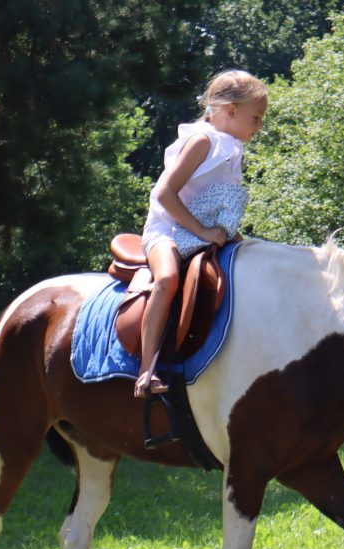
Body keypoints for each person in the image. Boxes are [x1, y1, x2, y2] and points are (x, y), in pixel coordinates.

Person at [133, 69, 268, 397]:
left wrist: (223, 232)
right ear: (232, 111)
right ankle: (145, 371)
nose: (259, 126)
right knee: (166, 280)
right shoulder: (203, 141)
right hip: (166, 229)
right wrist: (201, 230)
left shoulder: (233, 148)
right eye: (256, 117)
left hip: (199, 230)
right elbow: (165, 194)